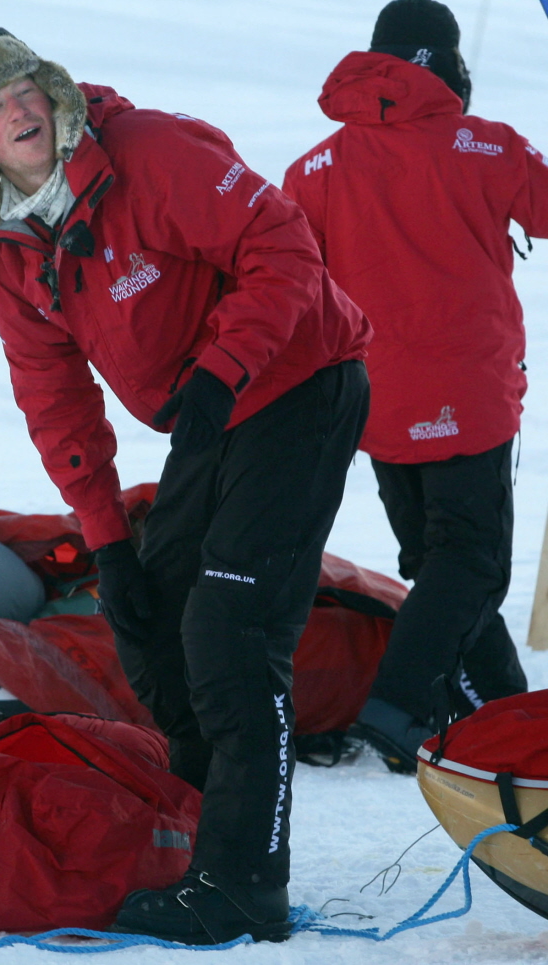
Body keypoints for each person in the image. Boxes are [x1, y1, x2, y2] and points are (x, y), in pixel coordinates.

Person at [0, 27, 371, 943]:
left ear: (49, 93)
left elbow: (285, 244)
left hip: (298, 381)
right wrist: (106, 539)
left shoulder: (147, 152)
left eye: (26, 91)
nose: (19, 111)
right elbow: (53, 398)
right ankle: (204, 825)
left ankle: (247, 880)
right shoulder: (10, 251)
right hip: (214, 414)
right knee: (151, 609)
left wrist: (221, 371)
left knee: (233, 627)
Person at [283, 0, 547, 774]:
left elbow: (286, 284)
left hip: (377, 404)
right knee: (470, 564)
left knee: (439, 568)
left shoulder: (314, 168)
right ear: (450, 66)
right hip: (468, 397)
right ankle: (398, 702)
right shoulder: (487, 146)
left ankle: (500, 710)